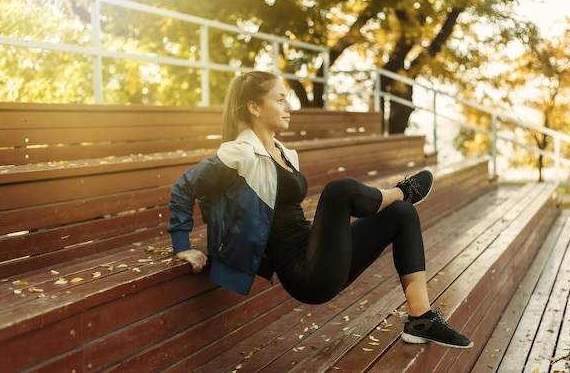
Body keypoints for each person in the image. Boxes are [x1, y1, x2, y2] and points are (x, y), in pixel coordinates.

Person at [167, 70, 473, 349]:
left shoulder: (284, 153)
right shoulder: (240, 153)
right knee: (339, 191)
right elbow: (185, 186)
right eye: (280, 99)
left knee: (402, 215)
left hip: (318, 253)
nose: (289, 106)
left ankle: (420, 319)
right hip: (305, 274)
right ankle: (401, 192)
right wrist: (182, 245)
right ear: (255, 108)